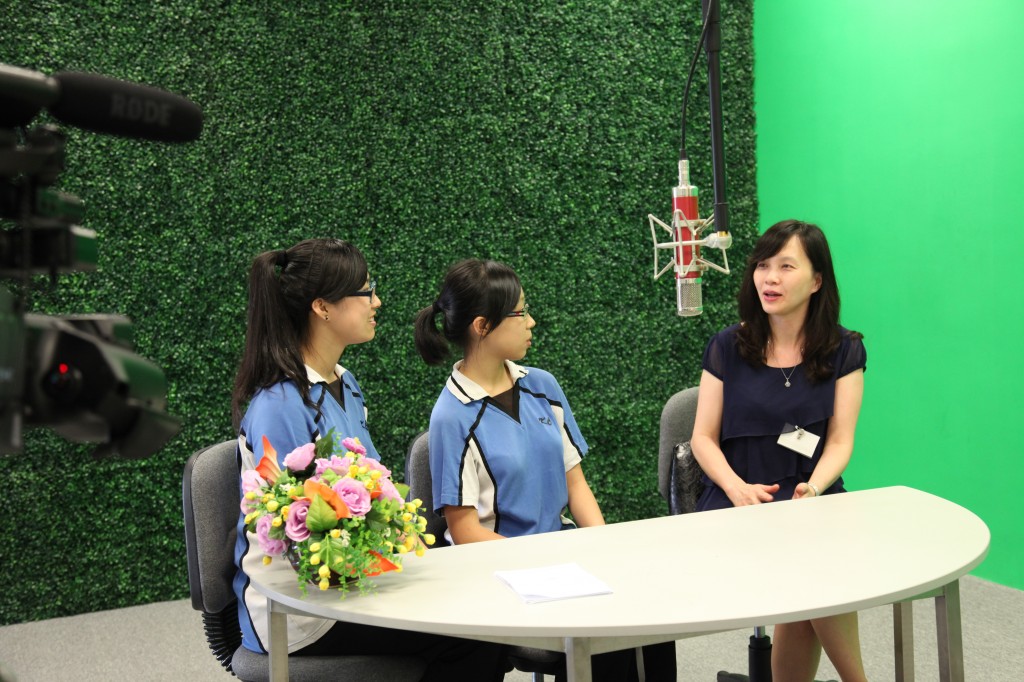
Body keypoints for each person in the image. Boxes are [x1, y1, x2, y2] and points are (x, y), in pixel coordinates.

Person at [230, 238, 506, 681]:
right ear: (322, 307)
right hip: (299, 610)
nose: (376, 302)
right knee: (474, 633)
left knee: (481, 608)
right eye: (366, 291)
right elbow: (302, 543)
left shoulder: (345, 383)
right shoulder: (280, 406)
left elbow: (376, 495)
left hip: (354, 581)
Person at [414, 258, 677, 682]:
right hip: (496, 571)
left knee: (654, 610)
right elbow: (464, 532)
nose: (531, 322)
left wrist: (603, 546)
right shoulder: (451, 416)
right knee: (606, 630)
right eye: (520, 313)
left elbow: (576, 484)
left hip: (558, 556)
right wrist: (543, 565)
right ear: (482, 326)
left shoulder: (542, 385)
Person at [690, 220, 868, 682]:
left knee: (813, 569)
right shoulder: (727, 346)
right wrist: (736, 488)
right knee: (815, 572)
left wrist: (814, 489)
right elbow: (702, 438)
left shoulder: (844, 349)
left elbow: (840, 441)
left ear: (816, 280)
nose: (770, 278)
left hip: (809, 495)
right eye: (762, 265)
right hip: (738, 495)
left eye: (786, 267)